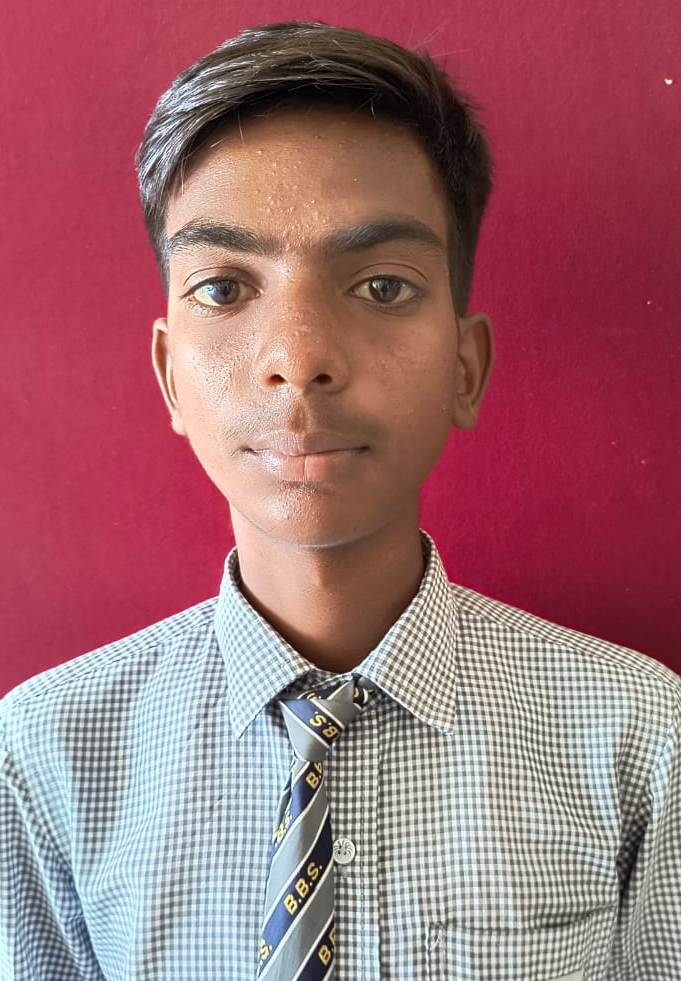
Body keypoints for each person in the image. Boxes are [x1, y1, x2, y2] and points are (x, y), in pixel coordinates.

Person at [1, 19, 679, 981]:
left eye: (382, 285)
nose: (299, 357)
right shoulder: (46, 757)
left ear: (464, 368)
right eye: (224, 288)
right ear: (169, 378)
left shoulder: (640, 739)